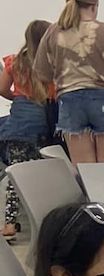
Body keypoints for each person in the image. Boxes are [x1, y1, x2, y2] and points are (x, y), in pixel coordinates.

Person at [33, 0, 104, 163]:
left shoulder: (53, 32)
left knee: (83, 169)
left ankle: (86, 190)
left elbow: (42, 75)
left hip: (70, 103)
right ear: (95, 6)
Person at [0, 19, 54, 242]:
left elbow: (2, 88)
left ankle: (9, 223)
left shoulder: (14, 62)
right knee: (45, 175)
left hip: (18, 128)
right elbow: (56, 96)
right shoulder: (53, 65)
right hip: (43, 128)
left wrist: (19, 97)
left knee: (16, 175)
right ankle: (44, 220)